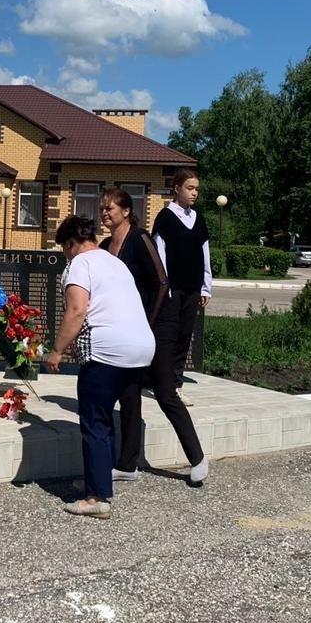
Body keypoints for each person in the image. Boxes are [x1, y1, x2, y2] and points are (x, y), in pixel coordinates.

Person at [43, 216, 155, 519]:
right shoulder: (115, 262)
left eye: (64, 250)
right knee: (107, 420)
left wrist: (56, 351)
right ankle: (100, 480)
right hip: (141, 348)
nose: (66, 256)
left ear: (70, 244)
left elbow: (77, 310)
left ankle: (96, 498)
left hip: (106, 350)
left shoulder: (80, 264)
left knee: (95, 422)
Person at [100, 188, 208, 484]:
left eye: (109, 208)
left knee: (164, 392)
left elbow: (161, 283)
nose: (104, 213)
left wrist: (146, 323)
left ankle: (197, 458)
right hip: (129, 329)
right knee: (129, 393)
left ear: (125, 211)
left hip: (158, 324)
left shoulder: (140, 238)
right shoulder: (106, 245)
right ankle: (127, 465)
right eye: (102, 209)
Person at [151, 169, 212, 393]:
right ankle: (161, 381)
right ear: (177, 188)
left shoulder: (198, 218)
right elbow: (160, 253)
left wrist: (206, 287)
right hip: (171, 288)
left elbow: (204, 252)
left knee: (185, 335)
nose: (194, 193)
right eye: (190, 188)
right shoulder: (165, 217)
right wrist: (164, 285)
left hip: (192, 287)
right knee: (167, 335)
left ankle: (175, 384)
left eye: (197, 189)